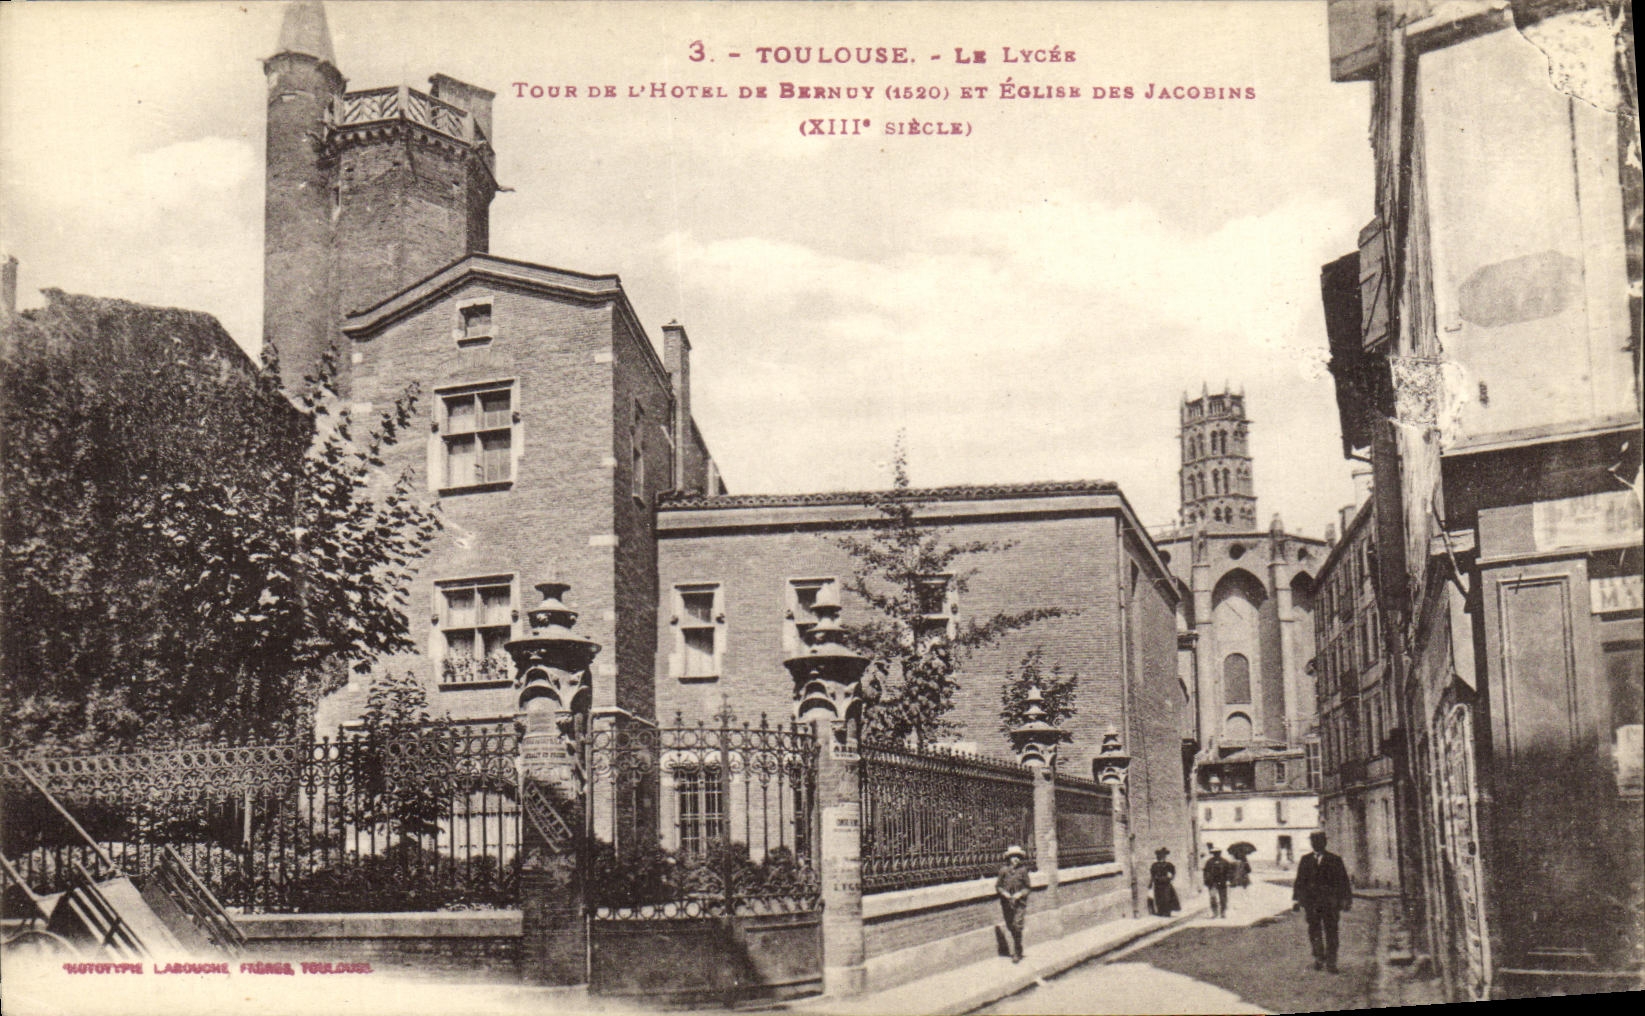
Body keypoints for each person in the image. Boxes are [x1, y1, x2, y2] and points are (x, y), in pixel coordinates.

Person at [1292, 831, 1353, 972]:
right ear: (1311, 843)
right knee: (1314, 931)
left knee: (1331, 931)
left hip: (1330, 904)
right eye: (1314, 841)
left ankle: (1331, 962)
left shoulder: (1335, 860)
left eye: (1319, 841)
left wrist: (1346, 900)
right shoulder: (1305, 860)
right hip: (1311, 904)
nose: (1316, 843)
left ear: (1324, 842)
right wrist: (1297, 900)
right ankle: (1319, 957)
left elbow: (1343, 881)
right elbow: (1300, 881)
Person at [996, 845, 1031, 962]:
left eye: (1018, 857)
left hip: (1019, 903)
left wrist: (1020, 894)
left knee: (1017, 925)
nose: (1016, 859)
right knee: (1011, 926)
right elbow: (998, 886)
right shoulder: (1003, 871)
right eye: (1013, 857)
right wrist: (1004, 893)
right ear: (1009, 858)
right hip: (1007, 904)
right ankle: (1018, 944)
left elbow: (1028, 887)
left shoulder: (1023, 871)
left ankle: (1017, 951)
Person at [1202, 844, 1231, 918]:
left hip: (1222, 882)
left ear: (1220, 853)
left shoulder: (1225, 862)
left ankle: (1223, 912)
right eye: (1214, 853)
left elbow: (1229, 872)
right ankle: (1215, 912)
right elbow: (1206, 871)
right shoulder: (1209, 862)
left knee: (1223, 898)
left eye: (1217, 853)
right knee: (1213, 897)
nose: (1216, 854)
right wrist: (1206, 880)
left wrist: (1228, 880)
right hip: (1212, 883)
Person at [1149, 847, 1179, 917]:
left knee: (1166, 898)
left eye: (1163, 856)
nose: (1161, 857)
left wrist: (1171, 878)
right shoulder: (1154, 865)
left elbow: (1173, 871)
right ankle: (1160, 911)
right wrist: (1152, 882)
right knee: (1159, 897)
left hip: (1166, 883)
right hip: (1158, 883)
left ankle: (1167, 912)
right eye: (1159, 856)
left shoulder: (1168, 864)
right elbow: (1152, 874)